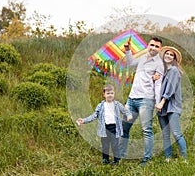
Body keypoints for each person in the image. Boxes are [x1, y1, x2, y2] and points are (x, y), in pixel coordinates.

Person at [119, 37, 164, 166]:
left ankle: (147, 159)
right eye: (152, 45)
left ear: (160, 49)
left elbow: (158, 84)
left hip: (146, 99)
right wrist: (128, 50)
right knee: (124, 127)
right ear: (148, 46)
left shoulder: (159, 64)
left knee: (146, 130)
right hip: (132, 98)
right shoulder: (143, 58)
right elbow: (130, 63)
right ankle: (121, 155)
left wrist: (158, 101)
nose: (153, 48)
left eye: (157, 46)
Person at [76, 84, 132, 166]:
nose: (110, 95)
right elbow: (94, 115)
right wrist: (84, 120)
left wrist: (129, 115)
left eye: (112, 93)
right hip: (105, 129)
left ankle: (117, 161)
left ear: (114, 94)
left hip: (114, 128)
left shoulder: (117, 104)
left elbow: (125, 110)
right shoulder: (101, 105)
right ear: (104, 95)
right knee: (105, 146)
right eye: (108, 93)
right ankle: (105, 161)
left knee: (115, 145)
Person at [155, 46, 187, 162]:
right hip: (162, 107)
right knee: (165, 135)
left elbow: (170, 89)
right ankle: (168, 158)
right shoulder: (164, 71)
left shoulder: (174, 70)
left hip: (171, 106)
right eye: (167, 54)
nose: (168, 56)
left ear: (174, 59)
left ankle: (184, 159)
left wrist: (162, 102)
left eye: (171, 55)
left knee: (176, 133)